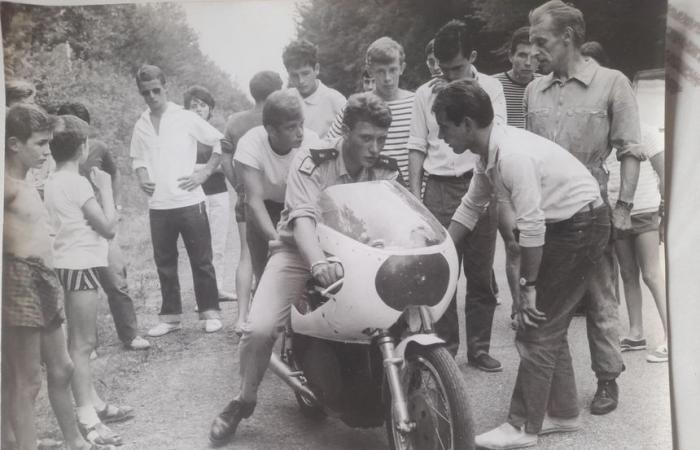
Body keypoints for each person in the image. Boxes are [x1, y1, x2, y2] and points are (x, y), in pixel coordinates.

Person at [208, 92, 400, 445]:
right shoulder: (311, 161)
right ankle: (243, 399)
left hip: (360, 254)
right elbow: (303, 221)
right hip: (300, 250)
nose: (375, 147)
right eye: (366, 138)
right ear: (346, 132)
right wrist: (318, 262)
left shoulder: (387, 168)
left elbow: (394, 221)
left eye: (382, 139)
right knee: (261, 328)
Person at [433, 79, 607, 449]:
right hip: (570, 223)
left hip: (581, 224)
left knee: (536, 324)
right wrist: (442, 252)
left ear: (466, 123)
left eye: (445, 126)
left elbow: (530, 227)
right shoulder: (489, 153)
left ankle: (523, 426)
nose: (440, 134)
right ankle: (562, 411)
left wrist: (527, 288)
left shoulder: (511, 156)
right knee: (547, 321)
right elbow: (470, 207)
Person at [525, 0, 642, 415]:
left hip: (592, 207)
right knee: (547, 299)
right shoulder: (532, 90)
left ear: (568, 37)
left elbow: (630, 149)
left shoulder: (611, 83)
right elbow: (527, 155)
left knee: (599, 296)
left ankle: (608, 379)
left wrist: (624, 206)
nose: (534, 51)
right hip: (545, 210)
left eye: (542, 42)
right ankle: (557, 390)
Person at [3, 103, 114, 450]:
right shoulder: (6, 185)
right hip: (18, 280)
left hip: (45, 278)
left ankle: (74, 441)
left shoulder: (30, 181)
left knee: (63, 366)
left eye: (49, 143)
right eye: (39, 144)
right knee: (28, 379)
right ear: (13, 144)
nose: (47, 151)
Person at [407, 19, 507, 371]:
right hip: (437, 187)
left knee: (481, 274)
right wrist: (415, 196)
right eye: (445, 69)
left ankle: (479, 348)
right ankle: (445, 348)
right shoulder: (425, 94)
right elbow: (417, 147)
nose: (451, 77)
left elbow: (497, 141)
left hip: (480, 185)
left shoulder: (492, 89)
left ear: (473, 57)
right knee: (443, 271)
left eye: (458, 68)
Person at [45, 115, 133, 447]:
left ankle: (92, 402)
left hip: (70, 263)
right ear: (83, 148)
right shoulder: (78, 183)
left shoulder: (53, 180)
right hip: (80, 264)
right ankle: (87, 415)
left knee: (81, 342)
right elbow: (108, 227)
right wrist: (107, 190)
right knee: (82, 345)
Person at [129, 64, 223, 336]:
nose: (152, 96)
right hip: (159, 205)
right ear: (141, 93)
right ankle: (170, 317)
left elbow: (219, 143)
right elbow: (138, 158)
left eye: (156, 90)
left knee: (201, 259)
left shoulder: (184, 117)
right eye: (146, 92)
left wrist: (204, 173)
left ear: (165, 87)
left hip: (190, 201)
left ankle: (210, 313)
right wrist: (141, 176)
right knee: (165, 263)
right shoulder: (142, 123)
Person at [56, 102, 151, 351]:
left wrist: (116, 207)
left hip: (101, 225)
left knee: (116, 280)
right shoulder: (53, 155)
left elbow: (114, 173)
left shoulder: (98, 148)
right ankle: (90, 346)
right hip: (75, 233)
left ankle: (130, 335)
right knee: (79, 290)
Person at [234, 89, 320, 281]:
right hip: (263, 207)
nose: (300, 133)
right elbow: (254, 201)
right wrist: (276, 239)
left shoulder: (312, 141)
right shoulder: (251, 143)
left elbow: (318, 194)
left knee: (304, 274)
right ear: (271, 130)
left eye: (302, 124)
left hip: (298, 208)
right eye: (291, 127)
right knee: (265, 275)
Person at [222, 70, 284, 333]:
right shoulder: (279, 118)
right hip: (277, 199)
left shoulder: (235, 121)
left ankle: (242, 317)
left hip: (247, 197)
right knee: (279, 256)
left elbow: (225, 158)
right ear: (276, 92)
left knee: (246, 256)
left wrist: (239, 183)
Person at [606, 124, 667, 362]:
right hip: (617, 213)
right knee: (628, 274)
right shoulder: (605, 132)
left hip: (646, 211)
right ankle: (636, 333)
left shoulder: (647, 131)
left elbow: (665, 175)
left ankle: (672, 337)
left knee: (651, 275)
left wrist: (664, 216)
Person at [492, 26, 540, 321]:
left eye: (532, 56)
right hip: (505, 176)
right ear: (510, 56)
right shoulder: (495, 85)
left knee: (535, 242)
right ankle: (516, 303)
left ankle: (531, 300)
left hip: (537, 175)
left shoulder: (544, 86)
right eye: (521, 55)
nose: (527, 62)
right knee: (513, 245)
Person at [326, 36, 415, 183]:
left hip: (406, 192)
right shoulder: (357, 105)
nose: (387, 78)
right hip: (365, 188)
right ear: (370, 71)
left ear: (402, 68)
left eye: (392, 70)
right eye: (381, 71)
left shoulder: (416, 103)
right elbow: (333, 147)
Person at [184, 85, 236, 302]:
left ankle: (217, 289)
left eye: (202, 105)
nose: (198, 109)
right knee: (199, 245)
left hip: (219, 193)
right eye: (193, 105)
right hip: (193, 196)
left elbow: (226, 164)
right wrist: (207, 167)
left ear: (210, 108)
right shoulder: (183, 135)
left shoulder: (217, 133)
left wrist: (200, 168)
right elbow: (179, 168)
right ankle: (203, 296)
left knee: (219, 243)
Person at [282, 38, 346, 138]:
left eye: (305, 73)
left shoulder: (336, 100)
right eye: (294, 75)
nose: (301, 81)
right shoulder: (284, 99)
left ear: (316, 69)